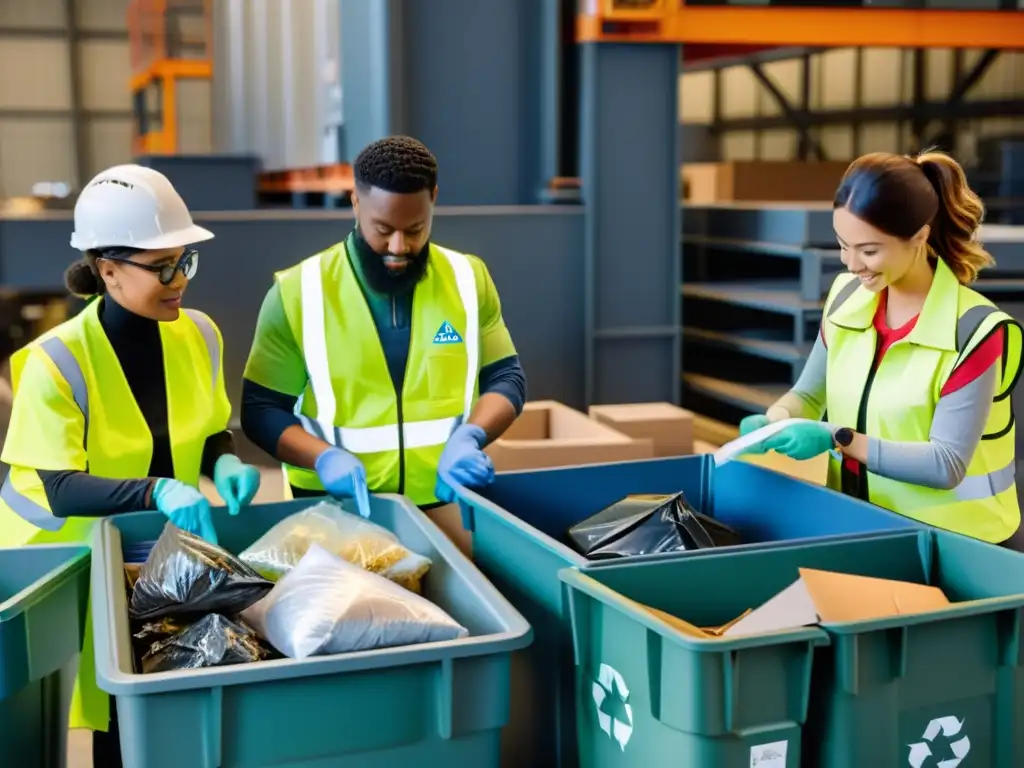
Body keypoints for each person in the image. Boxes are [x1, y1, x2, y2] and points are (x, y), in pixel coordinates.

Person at [0, 164, 262, 766]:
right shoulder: (55, 361)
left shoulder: (198, 333)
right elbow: (61, 489)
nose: (180, 282)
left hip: (164, 550)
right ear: (108, 270)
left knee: (183, 689)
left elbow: (212, 428)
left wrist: (224, 464)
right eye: (163, 267)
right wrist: (160, 493)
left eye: (186, 262)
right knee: (120, 714)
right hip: (79, 559)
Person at [740, 150, 1023, 546]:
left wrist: (834, 437)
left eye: (869, 250)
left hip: (961, 546)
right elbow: (809, 392)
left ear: (920, 237)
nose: (852, 264)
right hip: (861, 526)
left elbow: (946, 464)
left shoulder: (973, 332)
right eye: (843, 245)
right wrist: (779, 418)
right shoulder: (845, 299)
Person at [241, 136, 526, 512]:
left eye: (414, 230)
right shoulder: (298, 293)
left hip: (444, 502)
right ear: (355, 202)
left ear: (434, 198)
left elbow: (506, 378)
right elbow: (260, 409)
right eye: (383, 229)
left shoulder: (468, 279)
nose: (398, 247)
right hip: (333, 509)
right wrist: (322, 457)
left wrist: (472, 435)